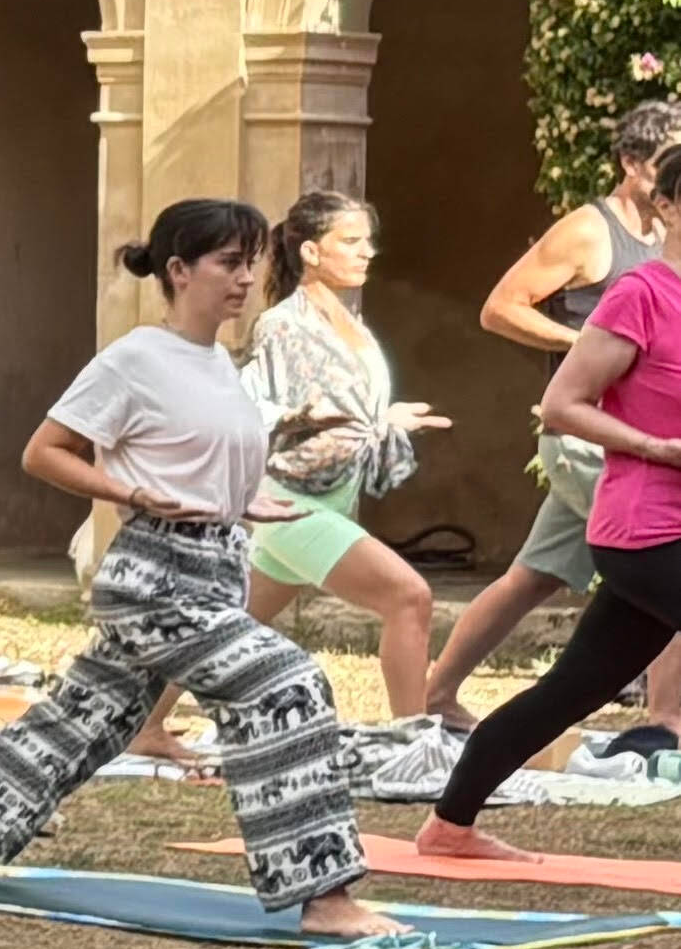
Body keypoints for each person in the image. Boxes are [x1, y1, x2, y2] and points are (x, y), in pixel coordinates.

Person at [0, 202, 384, 929]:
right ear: (178, 271)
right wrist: (127, 490)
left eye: (250, 263)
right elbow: (44, 451)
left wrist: (246, 505)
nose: (244, 279)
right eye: (227, 263)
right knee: (287, 682)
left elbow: (200, 462)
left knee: (85, 715)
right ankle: (325, 896)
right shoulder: (134, 358)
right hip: (157, 578)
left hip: (215, 565)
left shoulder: (219, 363)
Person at [411, 242, 681, 857]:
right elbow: (563, 405)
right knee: (572, 685)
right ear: (671, 205)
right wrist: (654, 447)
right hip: (646, 531)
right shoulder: (642, 294)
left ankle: (450, 826)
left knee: (571, 690)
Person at [423, 104, 681, 730]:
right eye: (666, 164)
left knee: (534, 576)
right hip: (592, 436)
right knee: (666, 559)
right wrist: (595, 350)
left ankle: (436, 694)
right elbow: (500, 307)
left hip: (616, 441)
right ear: (632, 165)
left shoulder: (664, 243)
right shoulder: (591, 232)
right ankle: (667, 718)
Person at [242, 192, 444, 735]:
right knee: (410, 597)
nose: (366, 253)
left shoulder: (350, 320)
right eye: (350, 242)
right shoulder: (282, 325)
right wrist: (304, 416)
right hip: (290, 500)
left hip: (333, 495)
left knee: (226, 626)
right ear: (310, 250)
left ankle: (145, 724)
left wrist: (388, 418)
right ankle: (414, 738)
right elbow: (255, 405)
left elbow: (353, 407)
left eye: (367, 242)